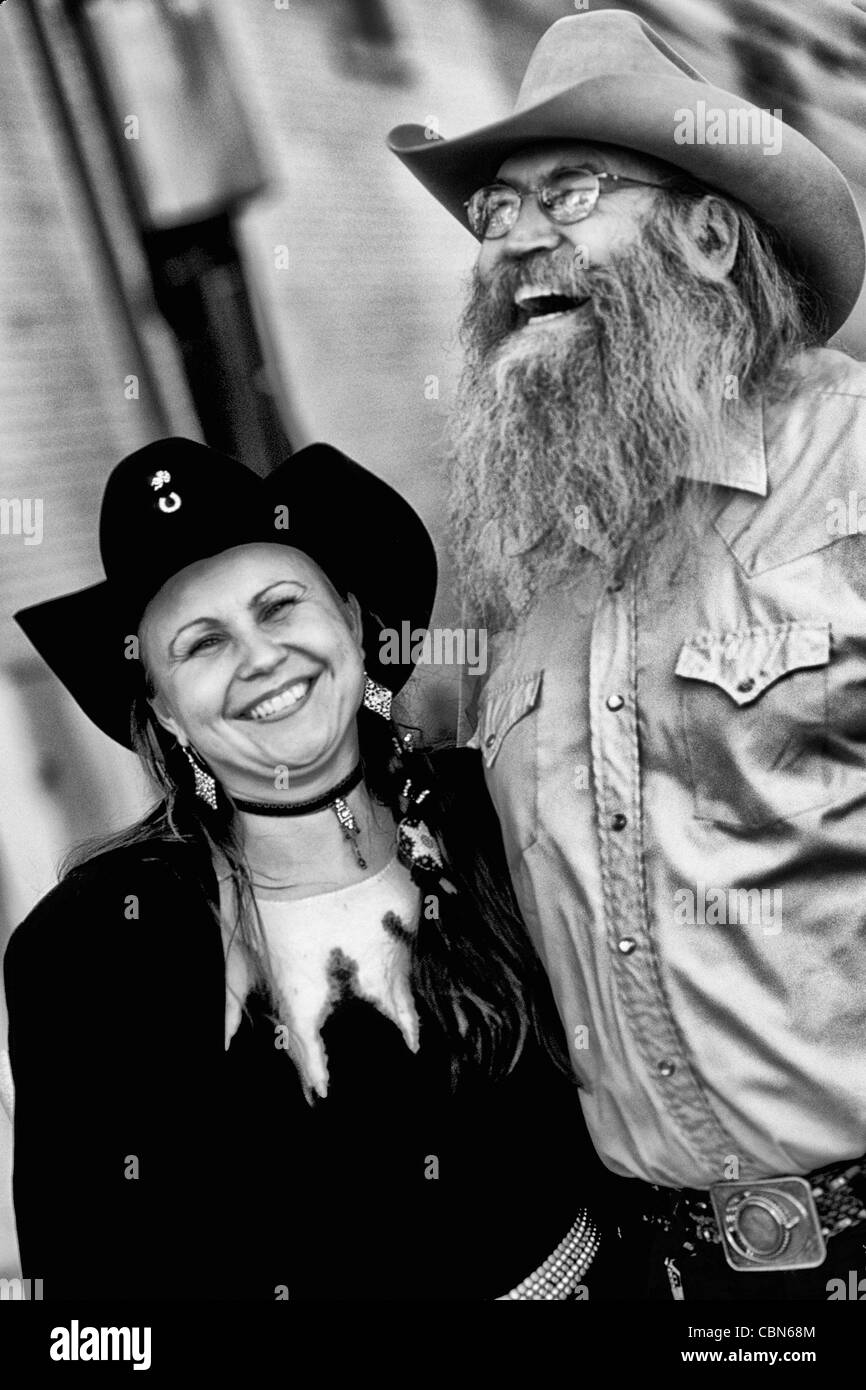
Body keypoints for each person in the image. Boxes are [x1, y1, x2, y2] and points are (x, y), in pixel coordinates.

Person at [388, 10, 866, 1298]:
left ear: (709, 236)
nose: (514, 241)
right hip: (669, 1274)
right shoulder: (529, 572)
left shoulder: (851, 471)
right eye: (494, 209)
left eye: (570, 191)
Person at [3, 436, 614, 1302]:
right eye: (201, 644)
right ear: (166, 715)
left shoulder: (497, 813)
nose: (258, 657)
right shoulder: (94, 945)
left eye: (280, 606)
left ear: (357, 624)